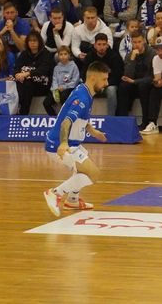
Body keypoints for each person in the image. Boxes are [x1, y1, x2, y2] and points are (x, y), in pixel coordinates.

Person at [43, 61, 109, 216]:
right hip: (61, 145)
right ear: (93, 78)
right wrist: (64, 143)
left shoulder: (85, 91)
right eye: (104, 79)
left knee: (83, 169)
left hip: (72, 143)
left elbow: (81, 119)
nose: (107, 83)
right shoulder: (83, 97)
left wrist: (93, 131)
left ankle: (72, 200)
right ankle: (54, 193)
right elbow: (67, 122)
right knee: (94, 174)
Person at [117, 30, 154, 127]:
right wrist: (132, 59)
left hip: (147, 84)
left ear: (144, 41)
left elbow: (152, 76)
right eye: (134, 42)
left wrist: (135, 81)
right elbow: (127, 76)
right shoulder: (130, 55)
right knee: (123, 86)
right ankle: (122, 121)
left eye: (139, 42)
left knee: (143, 86)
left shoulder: (152, 54)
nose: (137, 45)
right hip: (134, 83)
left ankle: (146, 122)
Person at [14, 31, 54, 115]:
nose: (32, 43)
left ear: (39, 42)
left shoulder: (46, 54)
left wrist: (27, 74)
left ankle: (23, 113)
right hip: (25, 83)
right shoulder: (24, 54)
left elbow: (43, 70)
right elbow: (17, 68)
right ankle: (17, 111)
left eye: (35, 41)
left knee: (27, 84)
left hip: (42, 85)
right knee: (22, 84)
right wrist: (17, 75)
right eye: (30, 41)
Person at [43, 45, 80, 116]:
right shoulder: (57, 68)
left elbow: (75, 81)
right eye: (61, 54)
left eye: (65, 54)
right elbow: (54, 80)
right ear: (58, 56)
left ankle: (65, 117)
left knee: (64, 96)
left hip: (69, 89)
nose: (63, 56)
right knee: (46, 102)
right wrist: (55, 89)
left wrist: (65, 87)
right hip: (58, 90)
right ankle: (54, 118)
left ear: (69, 55)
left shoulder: (73, 66)